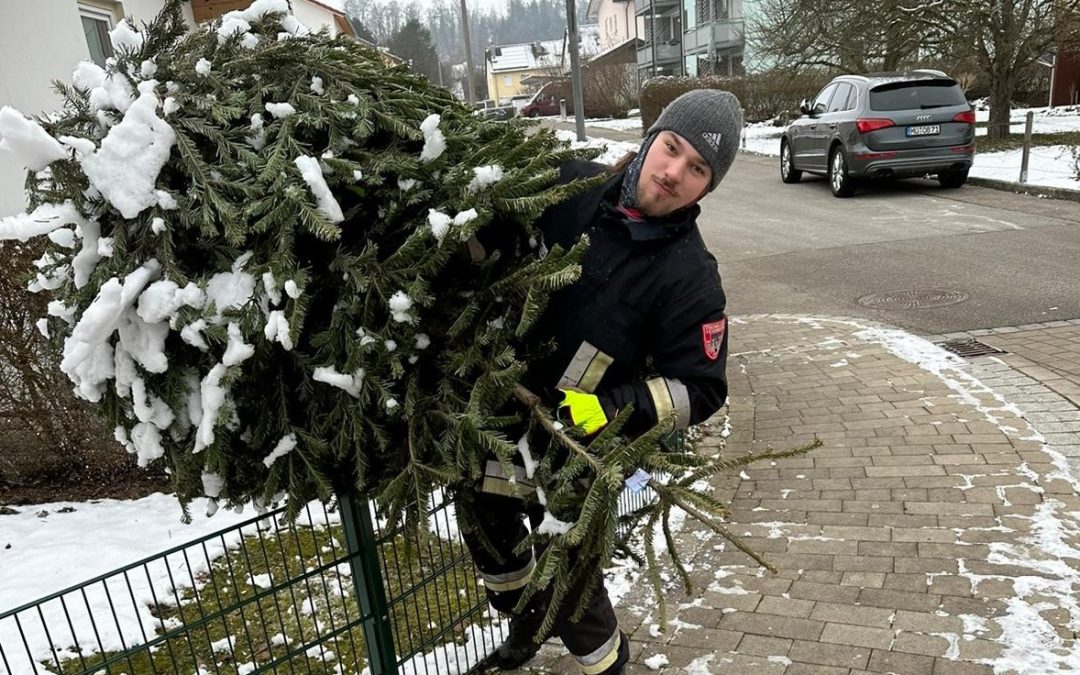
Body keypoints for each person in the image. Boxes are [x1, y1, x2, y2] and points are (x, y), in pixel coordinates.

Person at [459, 89, 743, 674]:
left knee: (573, 579)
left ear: (706, 189)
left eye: (697, 170)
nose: (673, 174)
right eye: (672, 149)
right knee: (487, 521)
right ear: (650, 140)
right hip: (499, 412)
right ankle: (524, 622)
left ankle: (606, 663)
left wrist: (607, 411)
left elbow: (702, 388)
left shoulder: (692, 278)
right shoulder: (568, 186)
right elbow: (490, 233)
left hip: (576, 445)